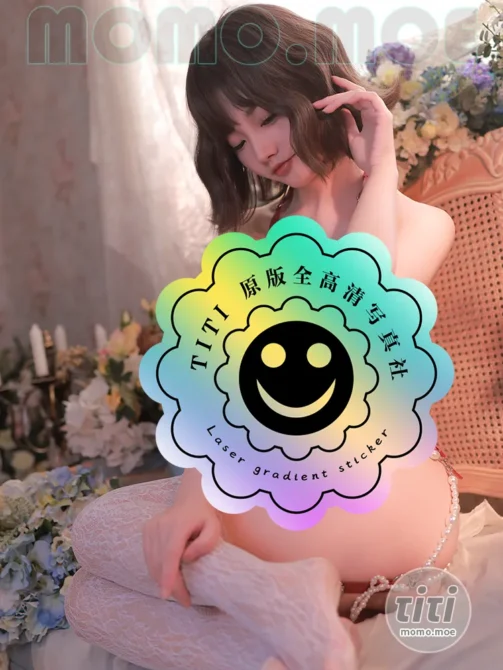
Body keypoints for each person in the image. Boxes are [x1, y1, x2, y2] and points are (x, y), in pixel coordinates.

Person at [64, 5, 503, 670]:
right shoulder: (255, 237)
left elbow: (348, 330)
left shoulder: (419, 222)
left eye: (265, 116)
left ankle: (284, 600)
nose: (262, 151)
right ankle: (290, 639)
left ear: (319, 88)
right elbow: (220, 397)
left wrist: (380, 170)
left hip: (383, 494)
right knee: (87, 601)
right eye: (236, 140)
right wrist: (192, 500)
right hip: (286, 484)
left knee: (101, 526)